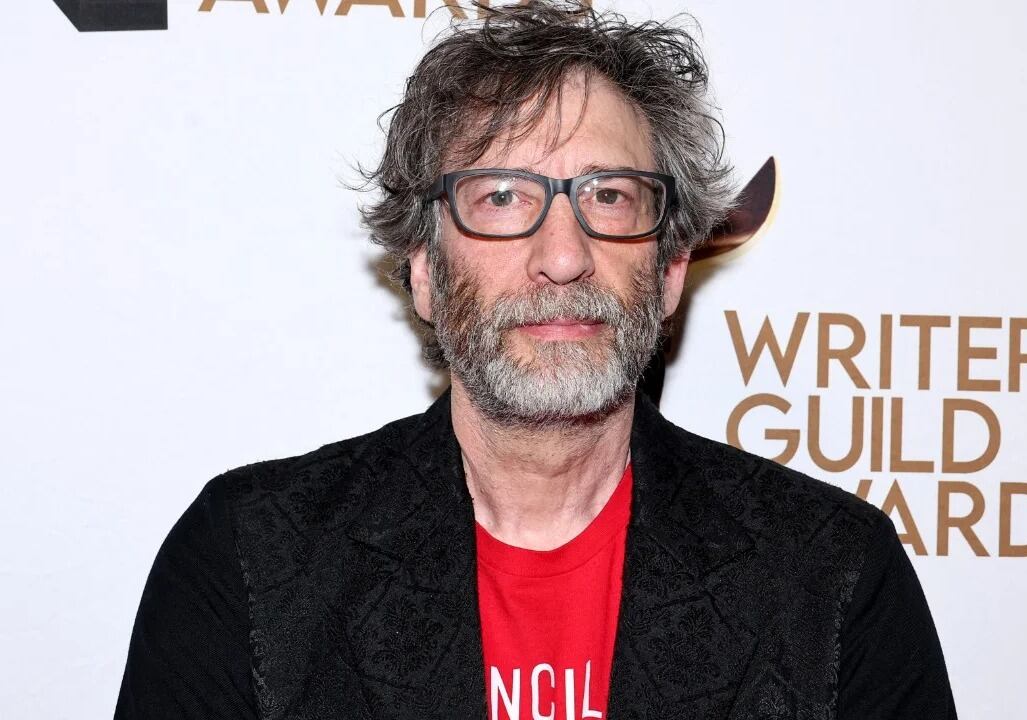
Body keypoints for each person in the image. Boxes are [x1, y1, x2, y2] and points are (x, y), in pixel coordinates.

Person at [114, 2, 956, 719]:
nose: (562, 256)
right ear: (424, 269)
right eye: (502, 196)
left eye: (609, 196)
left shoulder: (833, 574)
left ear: (669, 270)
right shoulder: (248, 560)